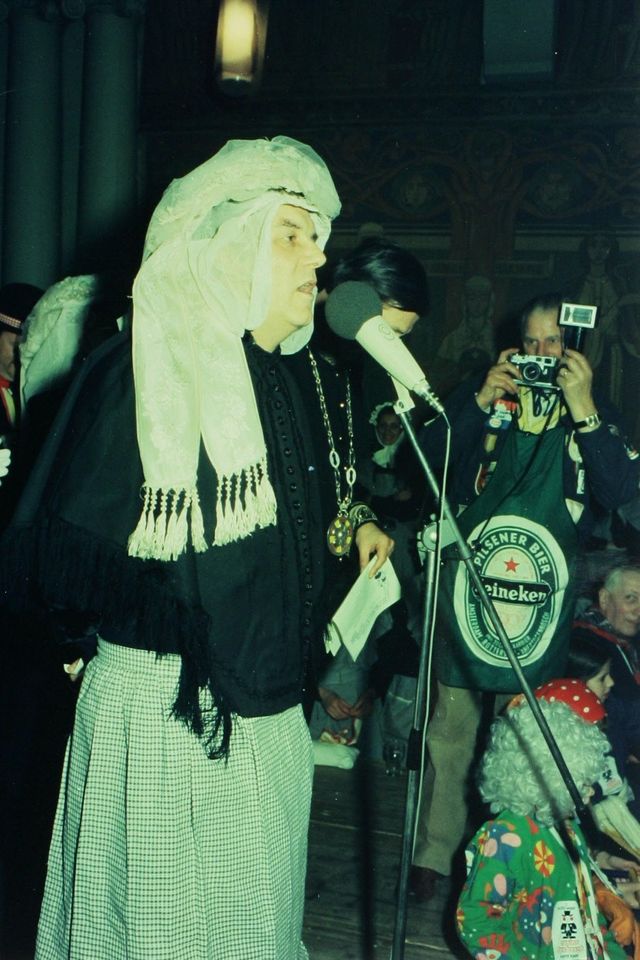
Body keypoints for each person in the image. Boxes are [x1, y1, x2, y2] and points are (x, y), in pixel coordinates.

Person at [3, 137, 395, 960]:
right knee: (157, 936)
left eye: (318, 237)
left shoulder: (304, 380)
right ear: (227, 247)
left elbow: (306, 527)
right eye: (292, 233)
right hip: (163, 722)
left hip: (269, 716)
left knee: (253, 930)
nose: (317, 257)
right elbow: (63, 565)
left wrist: (351, 532)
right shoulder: (138, 374)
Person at [411, 292, 640, 901]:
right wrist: (476, 402)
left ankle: (512, 857)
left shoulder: (595, 412)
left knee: (519, 738)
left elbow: (618, 491)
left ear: (576, 349)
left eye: (554, 342)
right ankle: (433, 856)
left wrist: (585, 408)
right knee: (448, 728)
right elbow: (425, 466)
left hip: (540, 602)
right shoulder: (489, 401)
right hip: (473, 593)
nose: (541, 355)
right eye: (531, 342)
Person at [456, 697, 636, 960]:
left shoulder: (567, 826)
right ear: (547, 781)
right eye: (582, 784)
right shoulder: (505, 838)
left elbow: (581, 898)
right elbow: (475, 921)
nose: (590, 793)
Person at [572, 564, 640, 807]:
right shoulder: (588, 645)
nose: (638, 610)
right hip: (606, 778)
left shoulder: (623, 638)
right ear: (603, 598)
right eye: (631, 598)